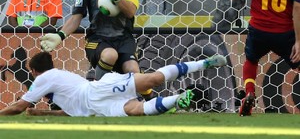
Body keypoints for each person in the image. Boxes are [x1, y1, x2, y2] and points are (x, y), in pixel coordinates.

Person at [0, 52, 227, 116]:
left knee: (153, 79)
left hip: (98, 90)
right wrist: (40, 113)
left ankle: (204, 63)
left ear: (33, 71)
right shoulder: (56, 82)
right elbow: (72, 110)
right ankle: (180, 99)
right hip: (94, 109)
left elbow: (19, 106)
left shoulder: (43, 78)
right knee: (136, 109)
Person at [39, 0, 144, 82]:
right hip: (97, 40)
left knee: (134, 71)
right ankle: (97, 92)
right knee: (110, 55)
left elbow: (130, 12)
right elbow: (76, 17)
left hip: (124, 39)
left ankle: (149, 100)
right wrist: (60, 35)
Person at [227, 0, 300, 116]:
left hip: (258, 29)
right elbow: (298, 9)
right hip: (284, 33)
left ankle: (249, 93)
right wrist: (298, 41)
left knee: (251, 60)